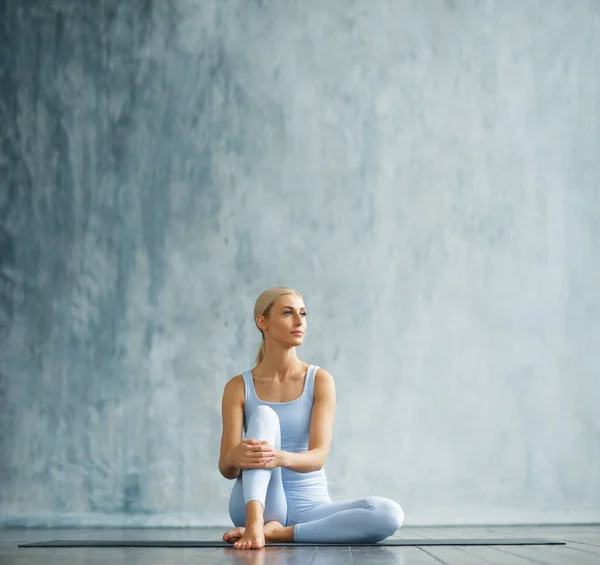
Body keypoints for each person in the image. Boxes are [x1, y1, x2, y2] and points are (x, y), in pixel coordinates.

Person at [218, 287, 404, 550]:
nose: (299, 321)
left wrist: (278, 457)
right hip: (256, 503)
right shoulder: (238, 386)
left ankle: (270, 534)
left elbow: (317, 457)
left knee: (388, 512)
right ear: (263, 322)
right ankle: (256, 522)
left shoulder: (319, 380)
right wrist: (237, 456)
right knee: (263, 415)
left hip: (311, 508)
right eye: (287, 313)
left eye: (303, 314)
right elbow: (226, 467)